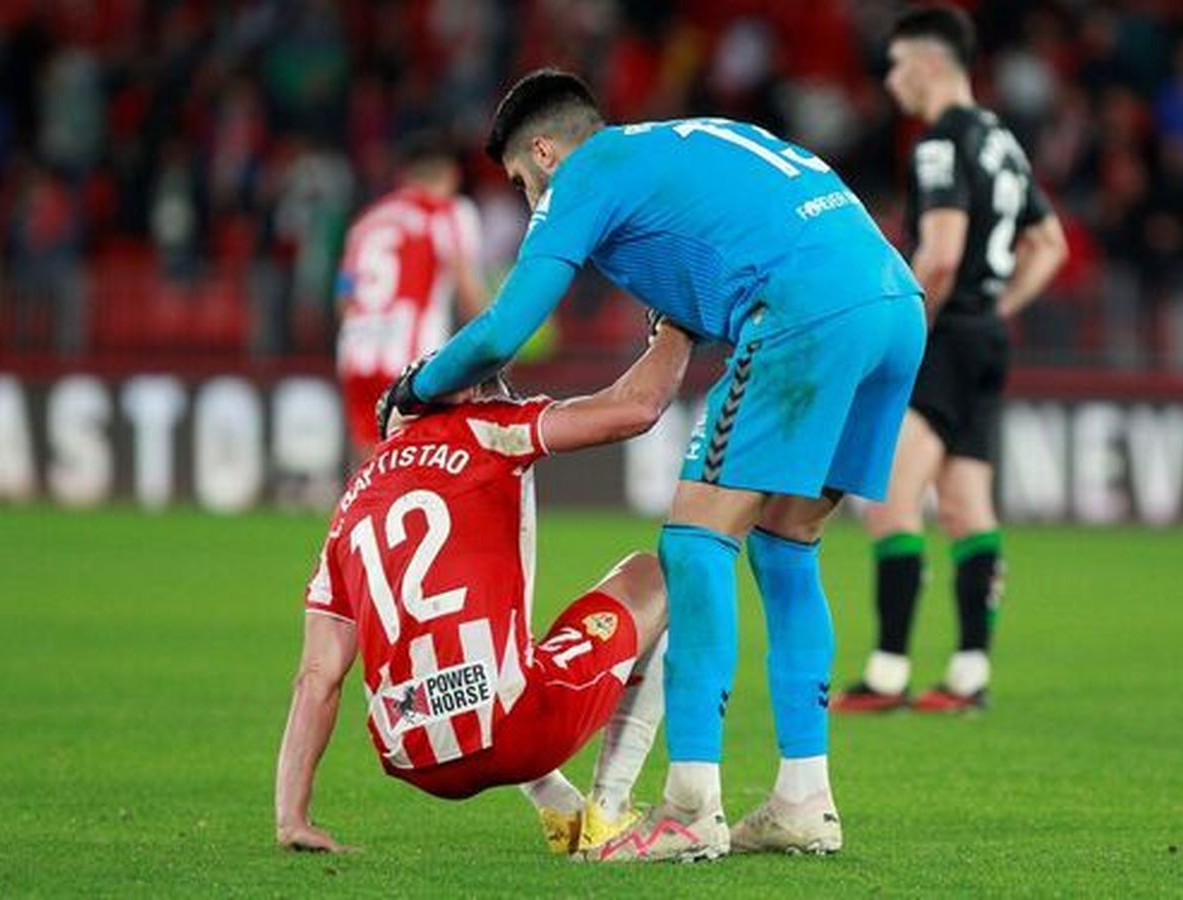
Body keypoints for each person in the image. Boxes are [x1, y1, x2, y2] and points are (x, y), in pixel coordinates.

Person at [376, 70, 926, 861]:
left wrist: (416, 386)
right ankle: (803, 797)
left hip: (806, 306)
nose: (534, 202)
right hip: (893, 305)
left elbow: (505, 330)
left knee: (696, 544)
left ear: (545, 150)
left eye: (527, 184)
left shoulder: (589, 174)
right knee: (784, 543)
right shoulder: (680, 151)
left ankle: (690, 806)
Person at [274, 321, 693, 856]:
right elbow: (636, 408)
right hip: (513, 730)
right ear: (463, 396)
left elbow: (317, 677)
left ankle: (559, 805)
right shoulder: (487, 428)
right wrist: (675, 330)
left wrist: (292, 817)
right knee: (654, 574)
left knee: (500, 649)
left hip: (410, 751)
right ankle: (608, 814)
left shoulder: (351, 504)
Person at [833, 6, 1068, 714]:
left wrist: (911, 328)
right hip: (985, 337)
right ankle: (968, 674)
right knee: (966, 507)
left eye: (899, 64)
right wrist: (995, 307)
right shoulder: (1000, 140)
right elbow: (1048, 243)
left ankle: (888, 672)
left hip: (942, 336)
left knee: (888, 502)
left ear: (931, 65)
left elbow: (937, 256)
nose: (892, 79)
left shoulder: (939, 145)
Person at [334, 130, 487, 456]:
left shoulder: (367, 221)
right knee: (419, 467)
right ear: (452, 175)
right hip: (413, 358)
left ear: (404, 175)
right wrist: (493, 348)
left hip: (357, 351)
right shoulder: (448, 211)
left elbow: (344, 295)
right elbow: (467, 288)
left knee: (368, 469)